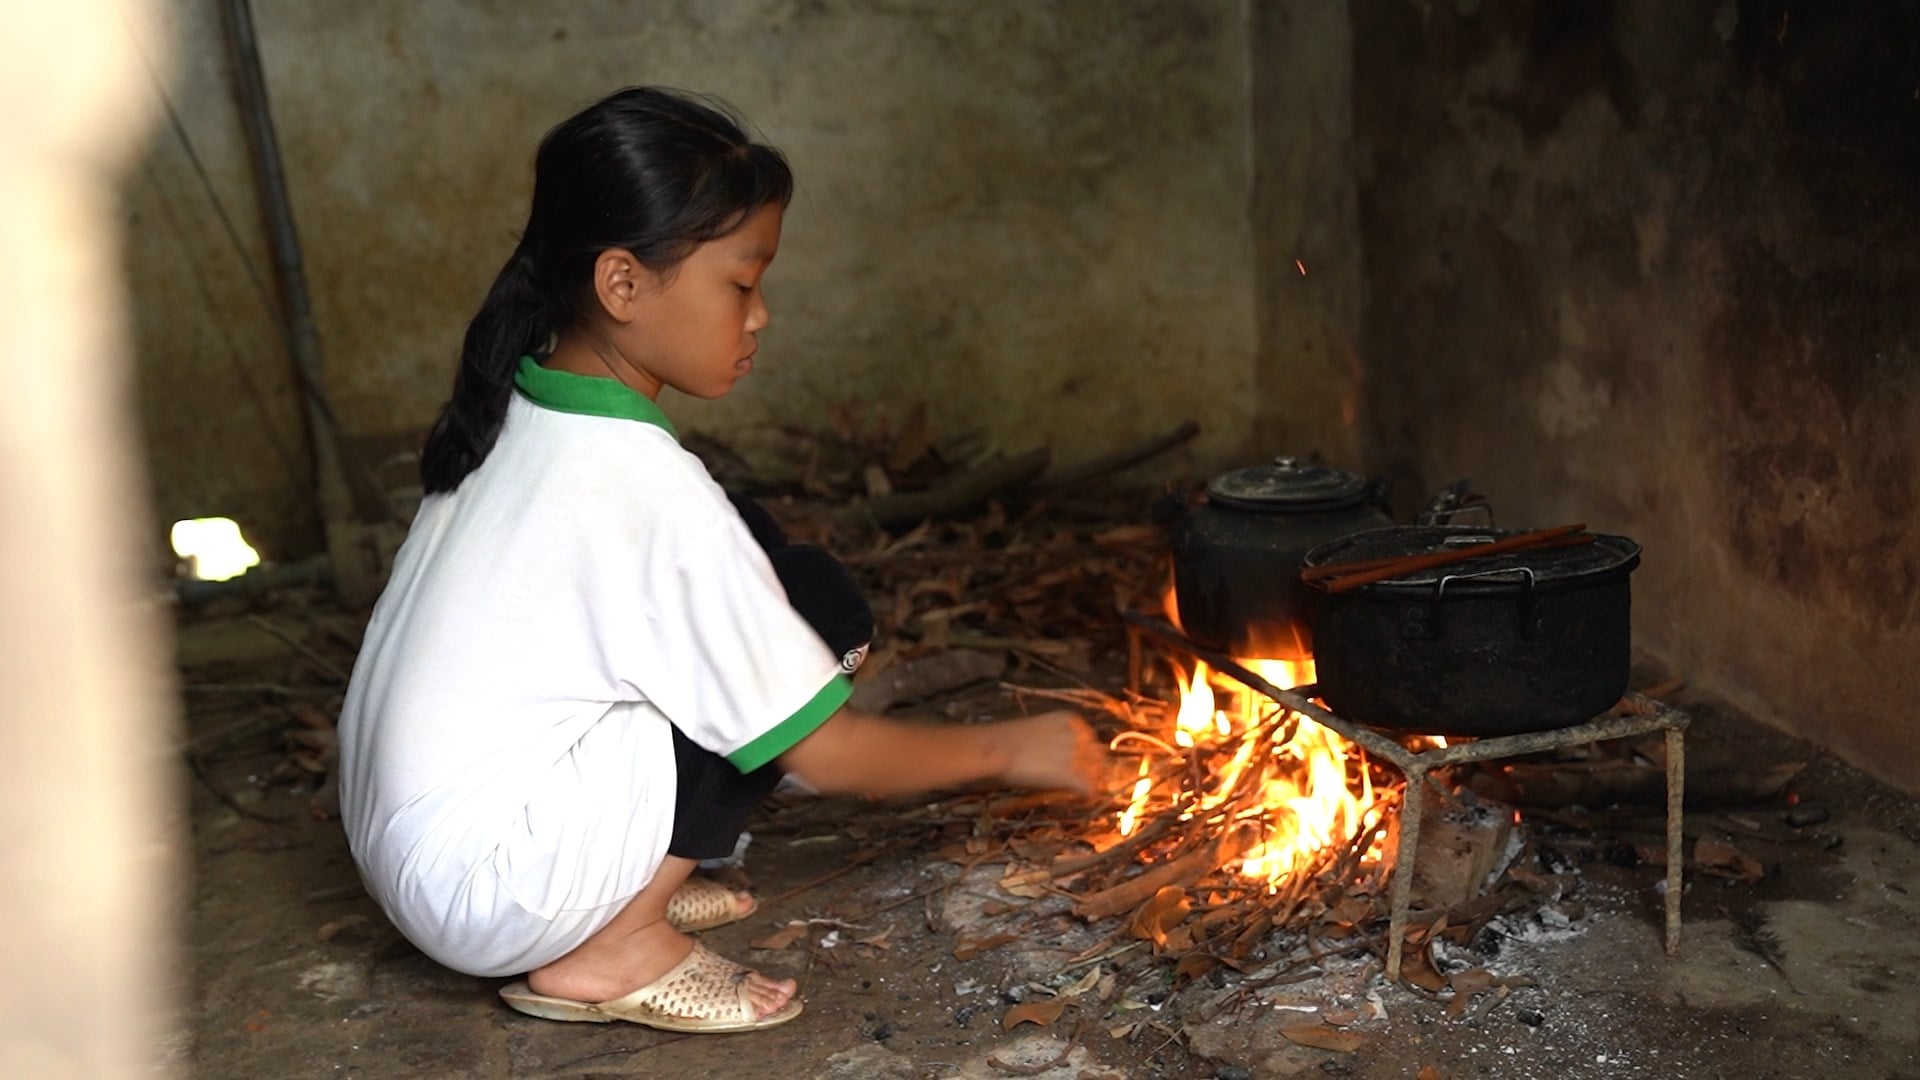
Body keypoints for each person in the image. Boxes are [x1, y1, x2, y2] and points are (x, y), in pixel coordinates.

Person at [335, 86, 1105, 1036]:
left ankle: (629, 889)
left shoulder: (518, 400)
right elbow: (827, 752)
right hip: (490, 890)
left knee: (751, 549)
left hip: (410, 846)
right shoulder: (646, 492)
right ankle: (612, 941)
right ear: (622, 285)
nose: (760, 316)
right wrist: (1012, 748)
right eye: (741, 284)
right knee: (817, 607)